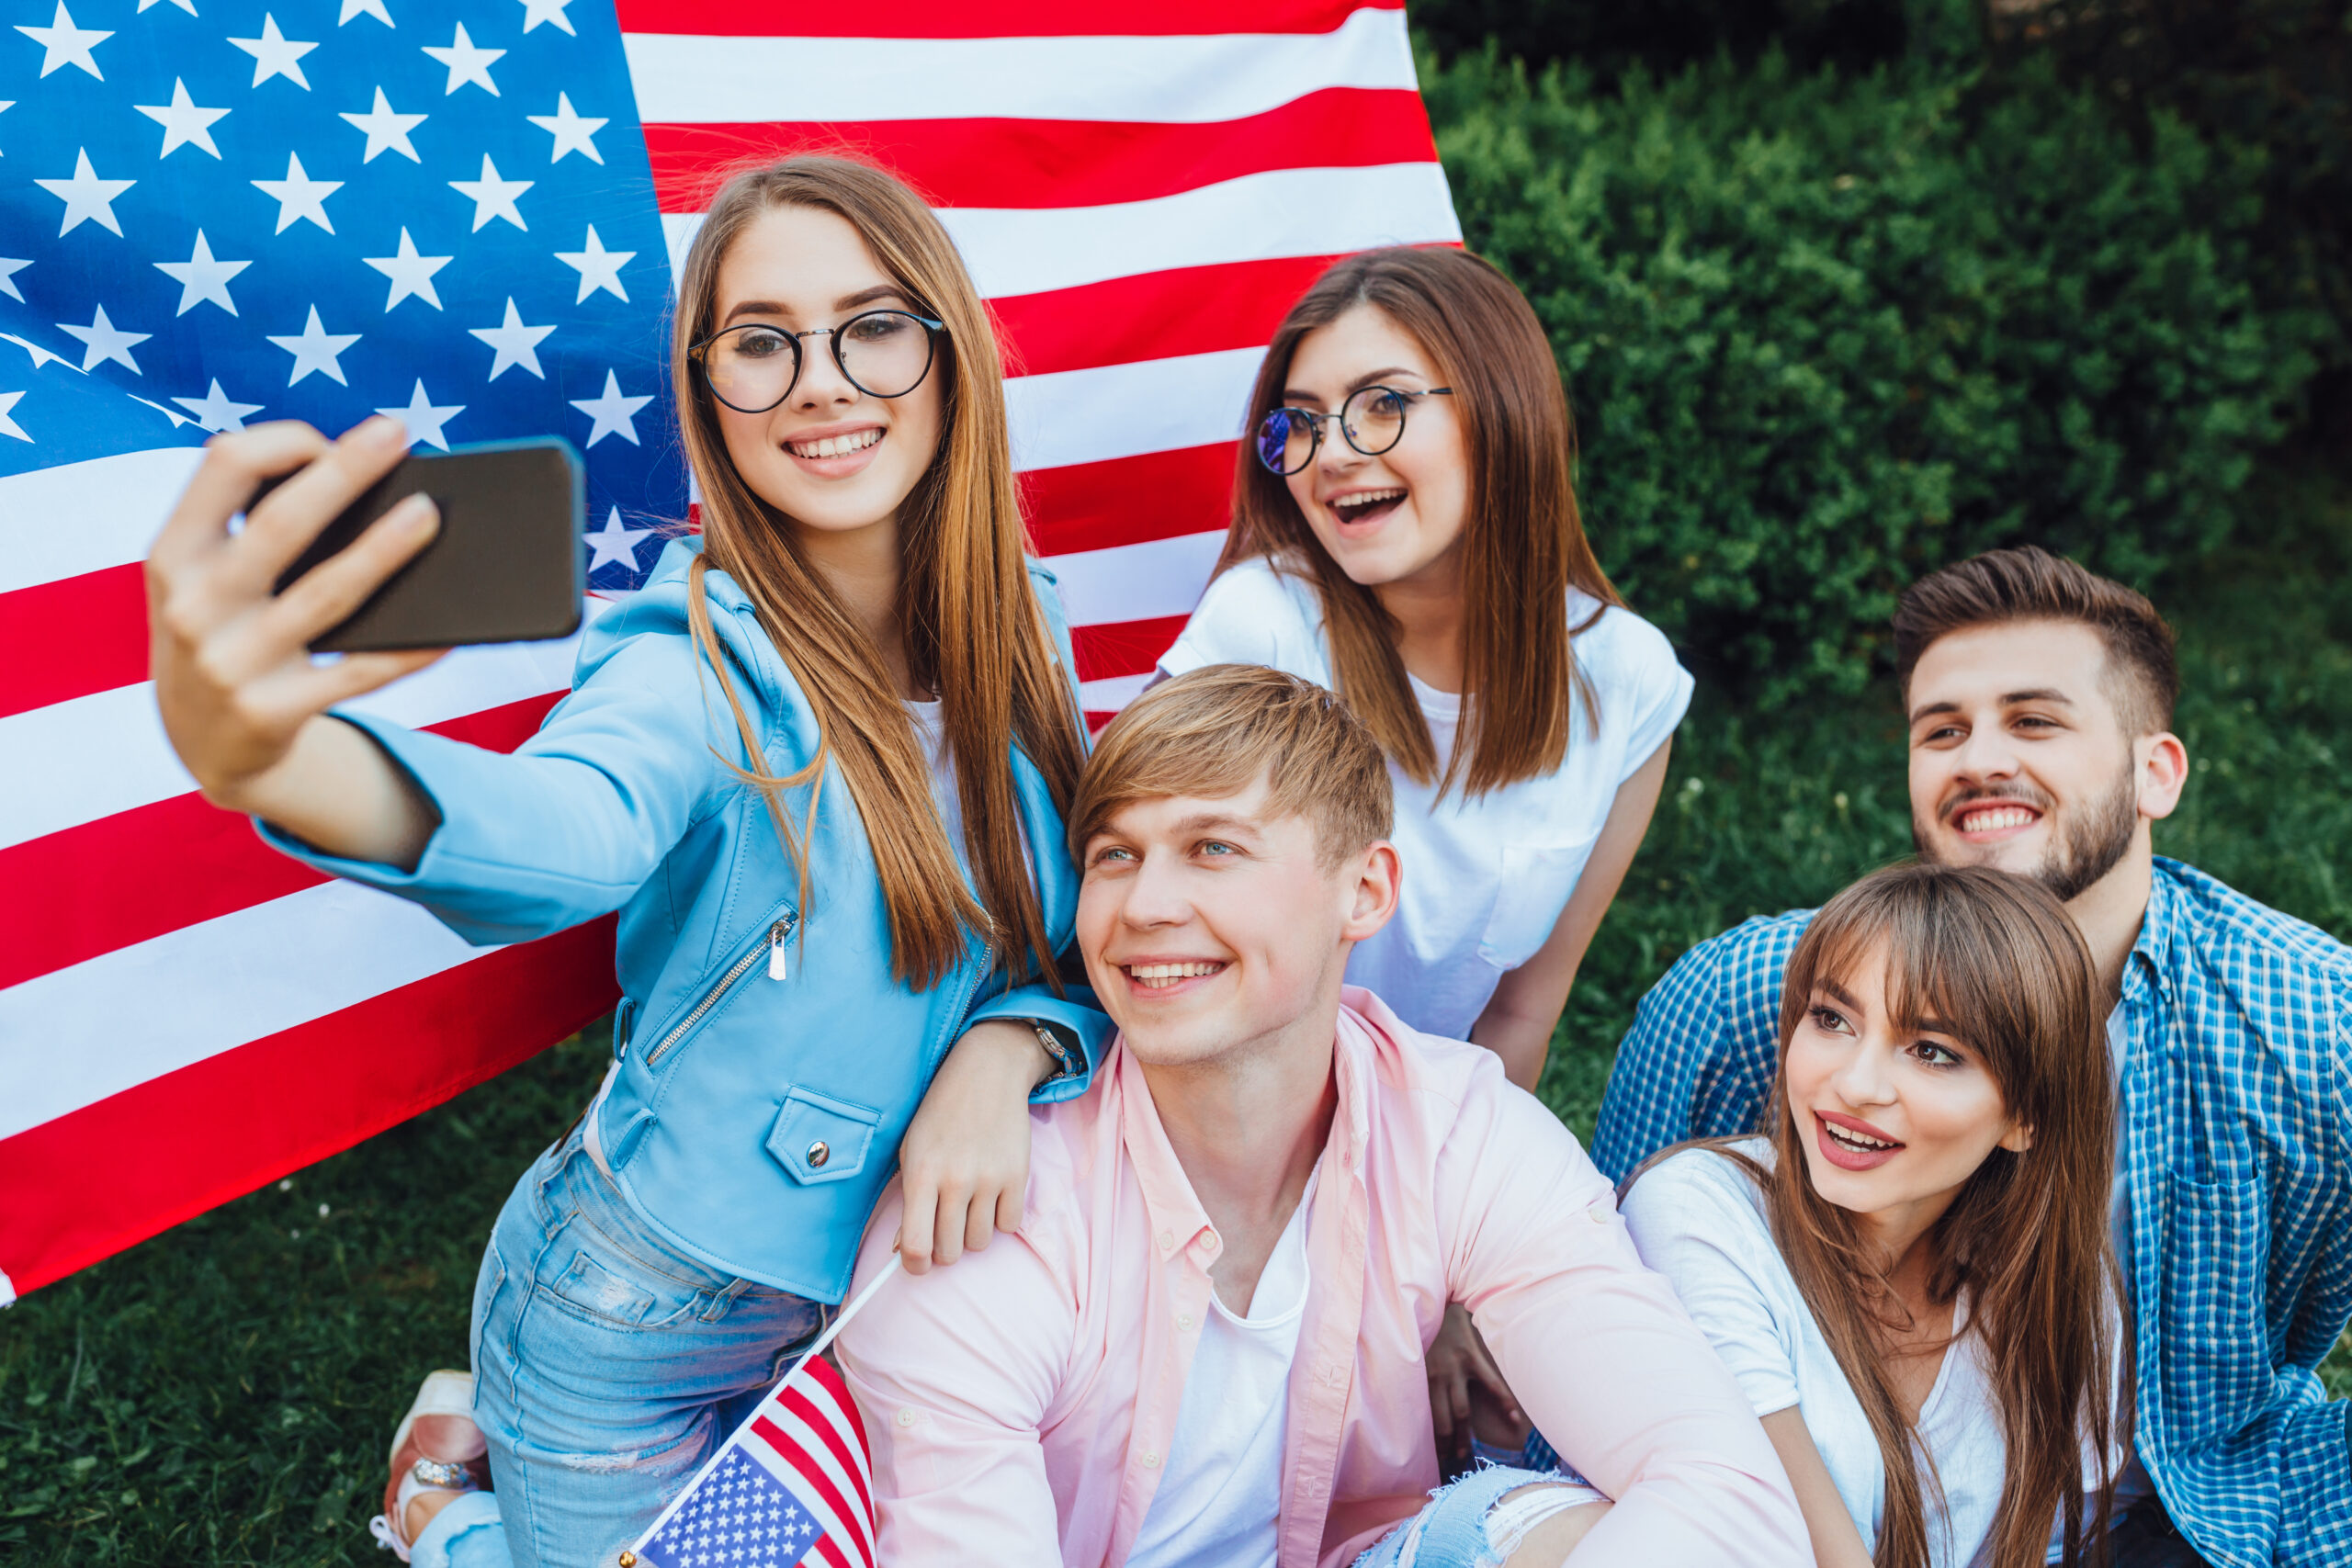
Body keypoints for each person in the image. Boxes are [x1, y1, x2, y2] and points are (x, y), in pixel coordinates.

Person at [141, 155, 1111, 1568]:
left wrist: (1013, 1045)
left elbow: (1078, 931)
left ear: (949, 348)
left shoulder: (1026, 617)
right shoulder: (695, 656)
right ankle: (441, 1505)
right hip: (633, 1315)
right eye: (761, 343)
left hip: (885, 1296)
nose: (823, 382)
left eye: (873, 325)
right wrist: (271, 758)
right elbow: (565, 832)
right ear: (711, 392)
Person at [834, 665, 1810, 1568]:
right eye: (1113, 856)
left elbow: (1723, 1488)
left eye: (1213, 848)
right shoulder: (991, 1206)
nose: (1145, 905)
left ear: (1366, 890)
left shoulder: (1454, 1129)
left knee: (1553, 1534)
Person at [1592, 547, 2352, 1567]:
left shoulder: (2309, 1017)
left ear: (2152, 771)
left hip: (2208, 1502)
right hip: (1841, 1504)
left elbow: (2304, 1310)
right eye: (1940, 730)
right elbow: (1612, 1310)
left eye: (2034, 721)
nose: (1978, 759)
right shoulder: (1750, 996)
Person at [1157, 246, 1690, 1093]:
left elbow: (1519, 1017)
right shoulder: (1260, 631)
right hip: (1225, 1109)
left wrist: (1448, 1202)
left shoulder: (1628, 681)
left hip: (1434, 1136)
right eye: (1300, 422)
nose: (1329, 454)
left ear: (1501, 408)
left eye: (1382, 405)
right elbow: (1145, 945)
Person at [1617, 862, 2126, 1568]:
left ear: (2026, 1114)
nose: (1854, 1085)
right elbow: (1796, 1542)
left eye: (1932, 1051)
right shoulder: (1697, 1213)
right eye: (1832, 1019)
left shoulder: (2063, 1307)